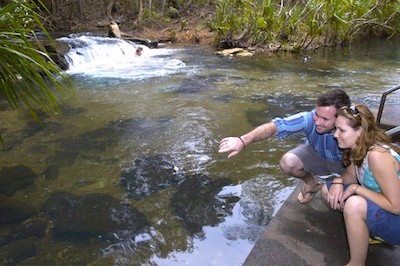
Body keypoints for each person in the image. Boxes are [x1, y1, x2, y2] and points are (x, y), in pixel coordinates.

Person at [218, 89, 351, 203]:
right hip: (316, 153)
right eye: (317, 114)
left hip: (344, 164)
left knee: (335, 198)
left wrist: (339, 181)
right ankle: (311, 183)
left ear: (341, 118)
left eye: (325, 119)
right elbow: (277, 126)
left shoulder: (354, 128)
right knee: (288, 162)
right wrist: (243, 141)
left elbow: (363, 164)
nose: (317, 122)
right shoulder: (309, 118)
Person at [321, 104, 400, 266]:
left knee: (354, 204)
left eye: (341, 130)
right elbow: (350, 175)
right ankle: (366, 232)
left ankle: (357, 263)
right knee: (328, 190)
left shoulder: (377, 156)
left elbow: (396, 206)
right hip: (387, 210)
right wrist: (337, 182)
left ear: (360, 131)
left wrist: (356, 188)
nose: (335, 135)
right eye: (336, 129)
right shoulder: (358, 148)